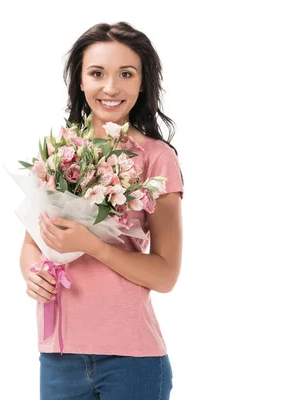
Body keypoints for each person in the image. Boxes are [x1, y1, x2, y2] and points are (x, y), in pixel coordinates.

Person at [19, 22, 183, 400]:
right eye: (97, 73)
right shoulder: (59, 150)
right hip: (58, 356)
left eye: (126, 74)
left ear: (143, 83)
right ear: (79, 81)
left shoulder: (157, 159)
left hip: (132, 361)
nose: (111, 88)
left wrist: (96, 247)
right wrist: (32, 274)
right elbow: (32, 243)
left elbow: (166, 275)